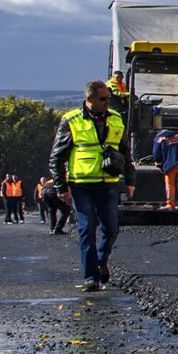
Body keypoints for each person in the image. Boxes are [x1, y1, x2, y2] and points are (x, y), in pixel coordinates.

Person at [51, 79, 132, 291]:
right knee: (86, 228)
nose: (107, 102)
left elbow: (125, 151)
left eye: (109, 98)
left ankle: (100, 260)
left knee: (111, 229)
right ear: (89, 100)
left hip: (109, 183)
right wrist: (61, 186)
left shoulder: (115, 118)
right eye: (103, 99)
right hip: (82, 184)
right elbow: (57, 157)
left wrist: (131, 180)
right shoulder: (71, 120)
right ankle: (90, 277)